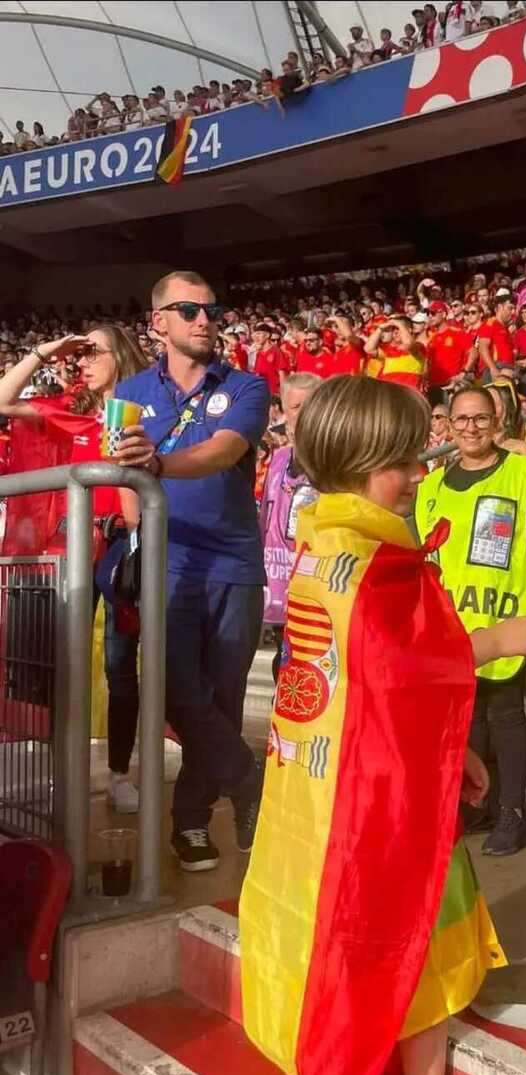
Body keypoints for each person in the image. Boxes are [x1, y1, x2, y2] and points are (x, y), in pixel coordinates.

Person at [240, 374, 526, 1075]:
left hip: (338, 797)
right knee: (406, 939)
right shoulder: (373, 559)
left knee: (378, 951)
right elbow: (410, 673)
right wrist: (501, 638)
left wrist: (457, 761)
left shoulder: (320, 541)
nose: (420, 472)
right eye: (404, 460)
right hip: (375, 811)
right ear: (361, 461)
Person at [113, 271, 270, 872]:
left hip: (234, 564)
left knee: (223, 699)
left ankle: (192, 824)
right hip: (169, 564)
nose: (204, 320)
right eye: (188, 310)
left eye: (211, 310)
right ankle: (246, 776)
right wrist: (136, 538)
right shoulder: (127, 392)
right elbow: (122, 472)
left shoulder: (248, 385)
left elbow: (225, 450)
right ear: (159, 322)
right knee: (176, 692)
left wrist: (160, 463)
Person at [0, 326, 148, 814]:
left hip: (127, 546)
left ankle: (120, 773)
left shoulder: (146, 410)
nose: (81, 363)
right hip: (76, 546)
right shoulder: (72, 411)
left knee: (120, 665)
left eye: (92, 354)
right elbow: (3, 401)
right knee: (64, 662)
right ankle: (62, 767)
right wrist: (45, 350)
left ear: (120, 356)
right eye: (78, 355)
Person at [415, 385, 526, 855]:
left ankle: (512, 813)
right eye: (461, 420)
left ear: (496, 421)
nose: (471, 429)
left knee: (506, 716)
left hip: (508, 620)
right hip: (453, 625)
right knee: (464, 718)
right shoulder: (432, 486)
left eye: (480, 419)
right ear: (449, 425)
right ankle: (475, 804)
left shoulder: (521, 471)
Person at [260, 373, 322, 682]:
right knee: (282, 661)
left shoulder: (333, 459)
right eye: (295, 406)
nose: (302, 414)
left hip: (316, 577)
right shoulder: (280, 457)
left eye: (309, 405)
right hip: (280, 572)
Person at [363, 315, 427, 390]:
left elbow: (408, 344)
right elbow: (368, 349)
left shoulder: (418, 346)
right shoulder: (388, 350)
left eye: (398, 329)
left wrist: (399, 324)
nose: (395, 332)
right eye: (393, 329)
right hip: (389, 395)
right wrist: (380, 329)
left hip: (409, 396)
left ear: (409, 330)